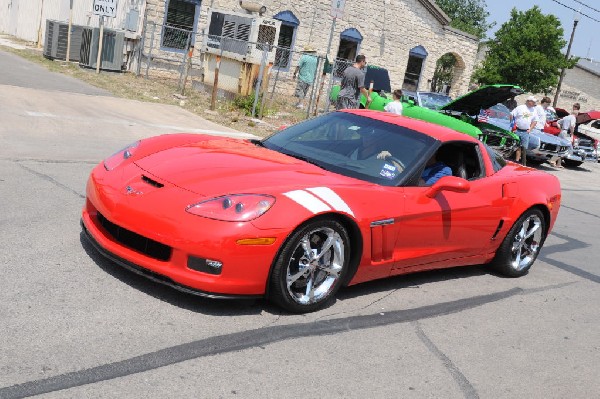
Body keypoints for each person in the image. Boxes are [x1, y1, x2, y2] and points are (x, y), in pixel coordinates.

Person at [510, 96, 538, 166]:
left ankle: (522, 162)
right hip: (517, 130)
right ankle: (515, 160)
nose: (534, 103)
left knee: (524, 147)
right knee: (515, 146)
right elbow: (511, 115)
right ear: (529, 101)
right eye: (533, 102)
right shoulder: (520, 107)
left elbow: (535, 121)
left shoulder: (534, 110)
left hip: (525, 132)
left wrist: (530, 129)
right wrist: (513, 126)